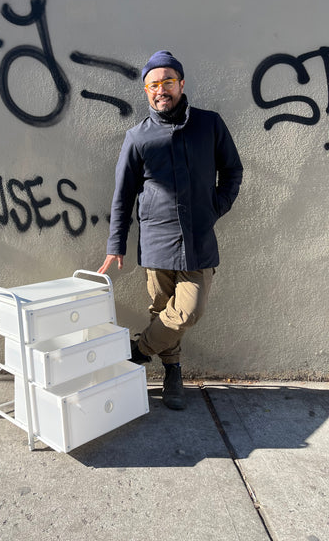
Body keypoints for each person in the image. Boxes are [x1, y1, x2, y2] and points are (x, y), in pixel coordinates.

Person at [98, 50, 243, 410]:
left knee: (188, 311)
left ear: (181, 84)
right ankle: (173, 372)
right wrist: (115, 243)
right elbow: (123, 195)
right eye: (153, 85)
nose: (160, 90)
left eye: (167, 82)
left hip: (199, 241)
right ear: (146, 91)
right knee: (160, 308)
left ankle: (135, 351)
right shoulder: (138, 137)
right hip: (156, 240)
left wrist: (215, 207)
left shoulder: (209, 125)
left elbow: (232, 171)